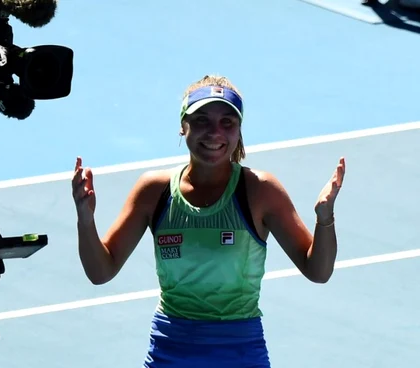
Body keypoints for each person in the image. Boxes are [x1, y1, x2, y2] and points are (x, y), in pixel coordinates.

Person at [71, 75, 345, 367]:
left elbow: (318, 271)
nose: (215, 133)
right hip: (170, 352)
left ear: (239, 131)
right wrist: (85, 220)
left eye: (227, 122)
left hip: (241, 354)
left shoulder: (260, 190)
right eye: (202, 120)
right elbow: (101, 272)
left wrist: (324, 219)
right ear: (183, 125)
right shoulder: (153, 190)